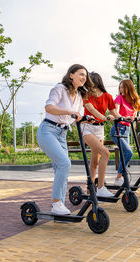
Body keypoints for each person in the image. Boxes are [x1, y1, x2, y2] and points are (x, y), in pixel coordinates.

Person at [36, 64, 94, 215]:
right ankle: (57, 203)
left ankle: (59, 204)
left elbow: (75, 118)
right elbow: (49, 108)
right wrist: (70, 112)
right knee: (64, 163)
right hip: (47, 130)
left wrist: (85, 119)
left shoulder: (79, 96)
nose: (84, 78)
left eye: (85, 76)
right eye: (81, 74)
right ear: (71, 75)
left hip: (62, 133)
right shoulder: (59, 89)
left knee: (61, 168)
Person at [82, 72, 121, 197]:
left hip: (100, 130)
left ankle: (90, 189)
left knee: (94, 161)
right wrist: (104, 118)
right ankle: (101, 188)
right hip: (87, 128)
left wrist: (125, 118)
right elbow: (92, 110)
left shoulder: (107, 96)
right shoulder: (86, 95)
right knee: (106, 153)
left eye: (89, 83)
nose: (87, 86)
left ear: (96, 82)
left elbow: (114, 112)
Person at [110, 79, 140, 186]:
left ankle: (122, 178)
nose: (121, 89)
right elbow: (116, 112)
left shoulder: (134, 102)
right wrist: (123, 118)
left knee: (124, 154)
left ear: (129, 88)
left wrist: (139, 117)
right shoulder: (119, 98)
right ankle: (118, 178)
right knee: (128, 152)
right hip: (118, 129)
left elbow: (133, 117)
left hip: (127, 130)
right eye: (120, 87)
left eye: (123, 87)